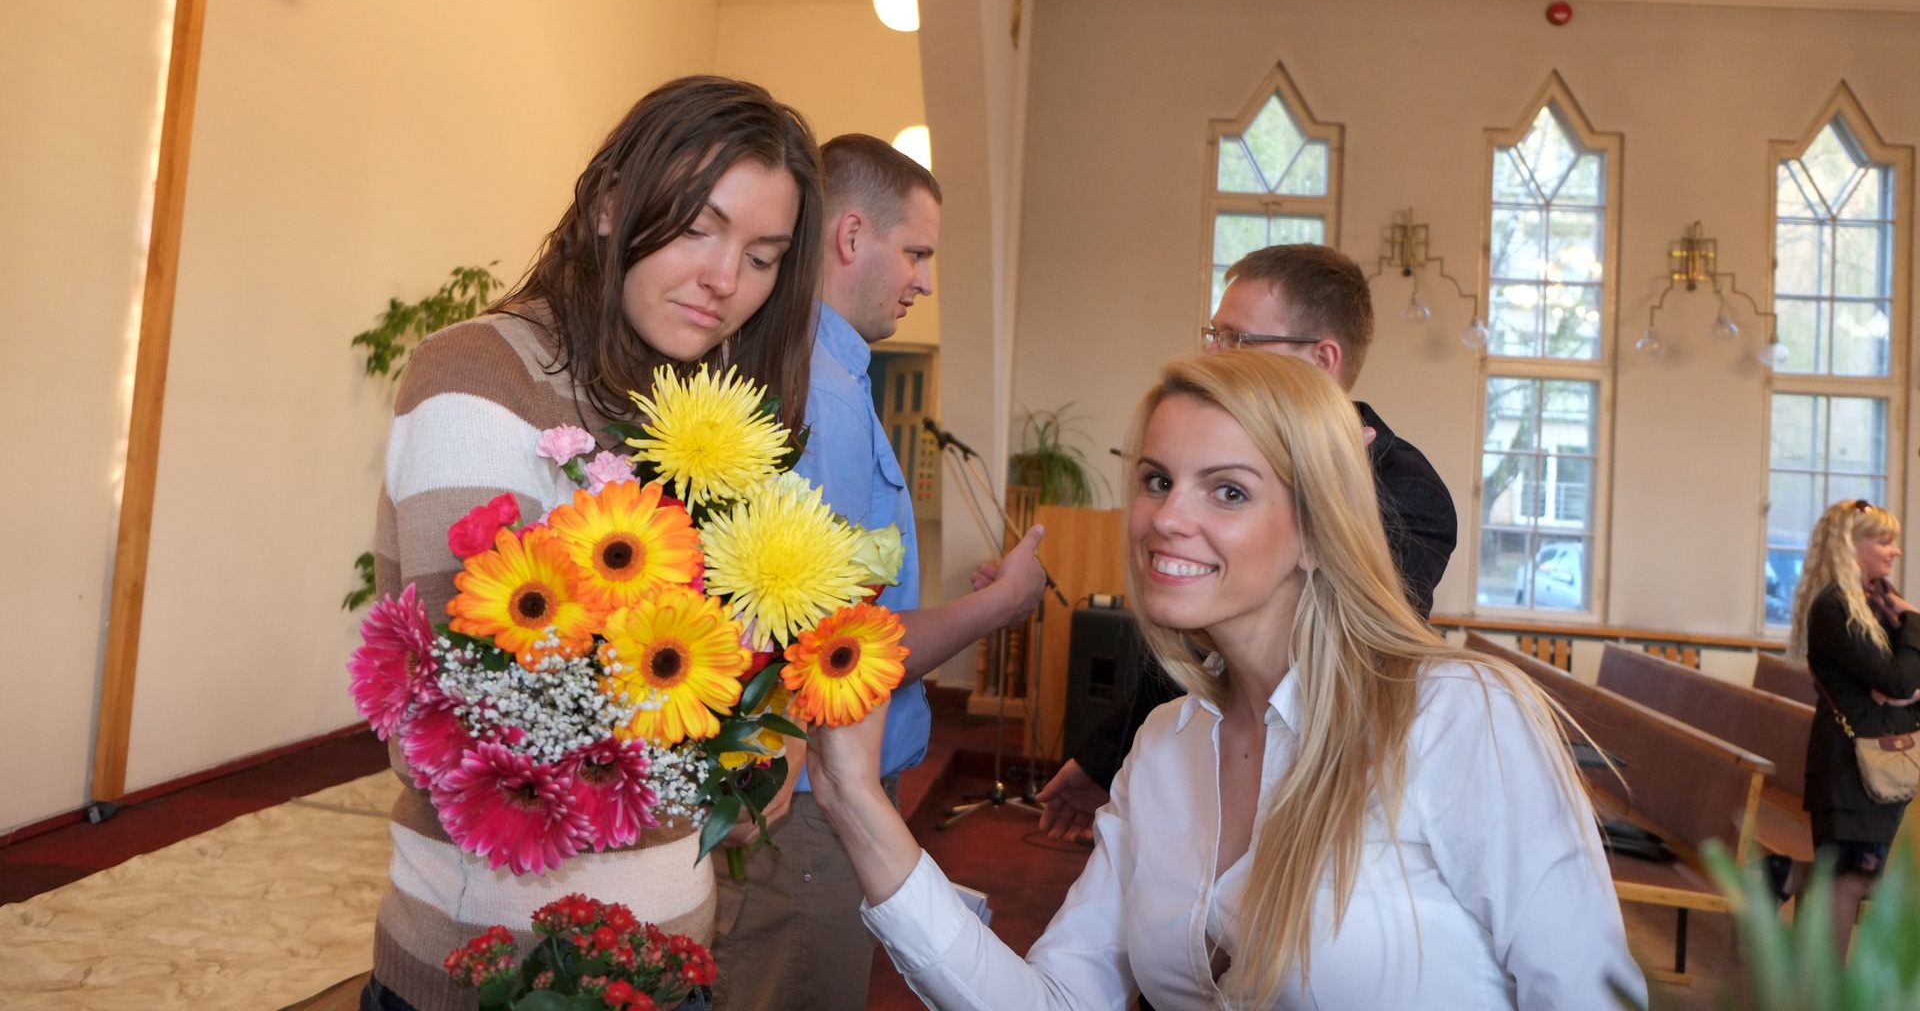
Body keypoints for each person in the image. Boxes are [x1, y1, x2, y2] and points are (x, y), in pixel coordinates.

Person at [807, 353, 1642, 1009]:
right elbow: (1056, 1000)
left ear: (1318, 531)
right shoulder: (1165, 747)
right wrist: (856, 801)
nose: (1168, 518)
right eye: (1157, 480)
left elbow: (1587, 994)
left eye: (1229, 491)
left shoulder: (1455, 717)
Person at [362, 76, 826, 1011]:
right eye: (697, 227)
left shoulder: (697, 411)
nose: (726, 279)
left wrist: (775, 727)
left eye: (762, 256)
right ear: (612, 203)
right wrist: (735, 752)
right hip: (493, 970)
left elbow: (758, 669)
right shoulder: (481, 374)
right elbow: (486, 717)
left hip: (668, 963)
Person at [712, 133, 1048, 1011]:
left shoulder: (826, 371)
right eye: (917, 253)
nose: (926, 282)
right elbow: (834, 651)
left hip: (824, 783)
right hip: (813, 792)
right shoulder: (822, 391)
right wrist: (1003, 605)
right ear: (852, 234)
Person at [1041, 243, 1457, 839]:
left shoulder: (1401, 487)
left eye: (1237, 340)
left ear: (1321, 359)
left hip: (1321, 793)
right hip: (1197, 758)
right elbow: (1199, 648)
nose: (1212, 354)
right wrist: (1109, 759)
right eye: (1214, 335)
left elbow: (1335, 653)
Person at [1787, 497, 1920, 959]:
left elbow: (1901, 682)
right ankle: (1828, 990)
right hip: (1851, 765)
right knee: (1850, 878)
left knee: (1855, 875)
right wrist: (1915, 622)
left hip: (1876, 758)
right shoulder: (1837, 607)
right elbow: (1898, 680)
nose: (1895, 551)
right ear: (1850, 545)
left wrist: (1903, 686)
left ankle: (1785, 875)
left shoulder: (1876, 602)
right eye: (1884, 541)